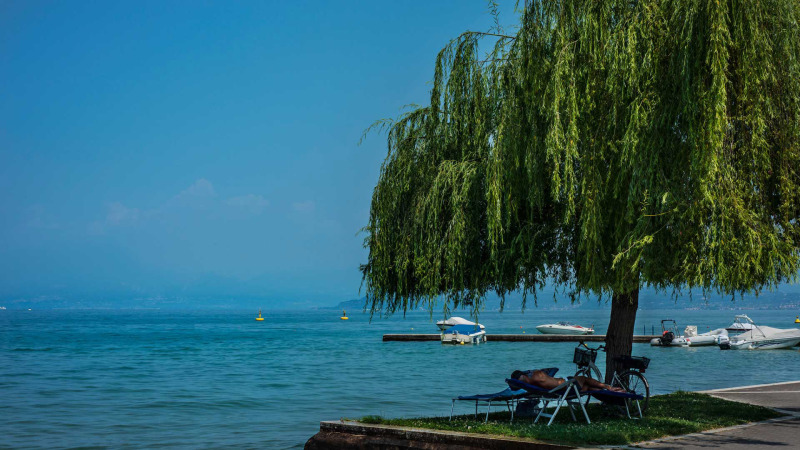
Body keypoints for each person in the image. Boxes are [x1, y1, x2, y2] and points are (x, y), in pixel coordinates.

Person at [510, 369, 625, 393]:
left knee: (587, 387)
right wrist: (528, 373)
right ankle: (609, 387)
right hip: (567, 386)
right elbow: (539, 373)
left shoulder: (530, 383)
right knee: (584, 379)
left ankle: (609, 391)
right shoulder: (534, 377)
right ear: (523, 376)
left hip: (565, 390)